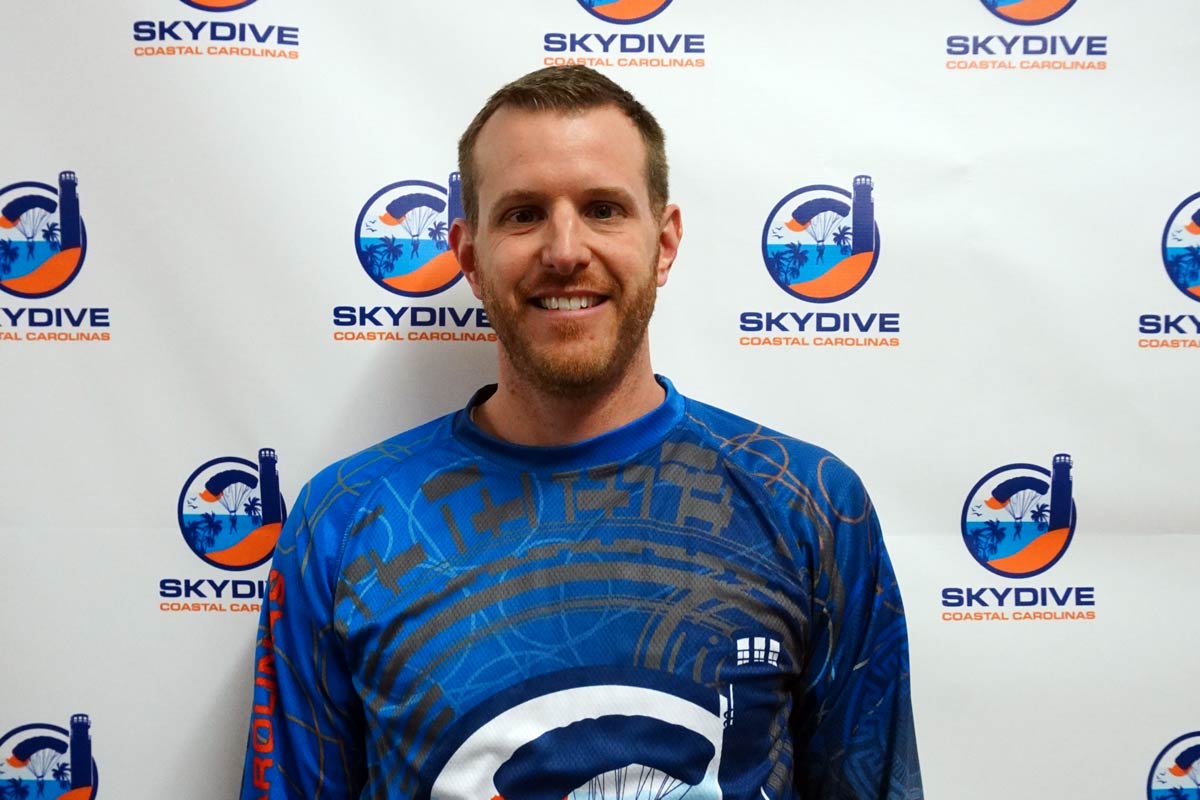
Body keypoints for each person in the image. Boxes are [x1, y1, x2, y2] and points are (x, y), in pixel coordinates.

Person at [240, 65, 922, 800]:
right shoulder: (344, 522)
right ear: (469, 255)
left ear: (663, 242)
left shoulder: (807, 505)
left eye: (602, 209)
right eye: (524, 214)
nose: (565, 250)